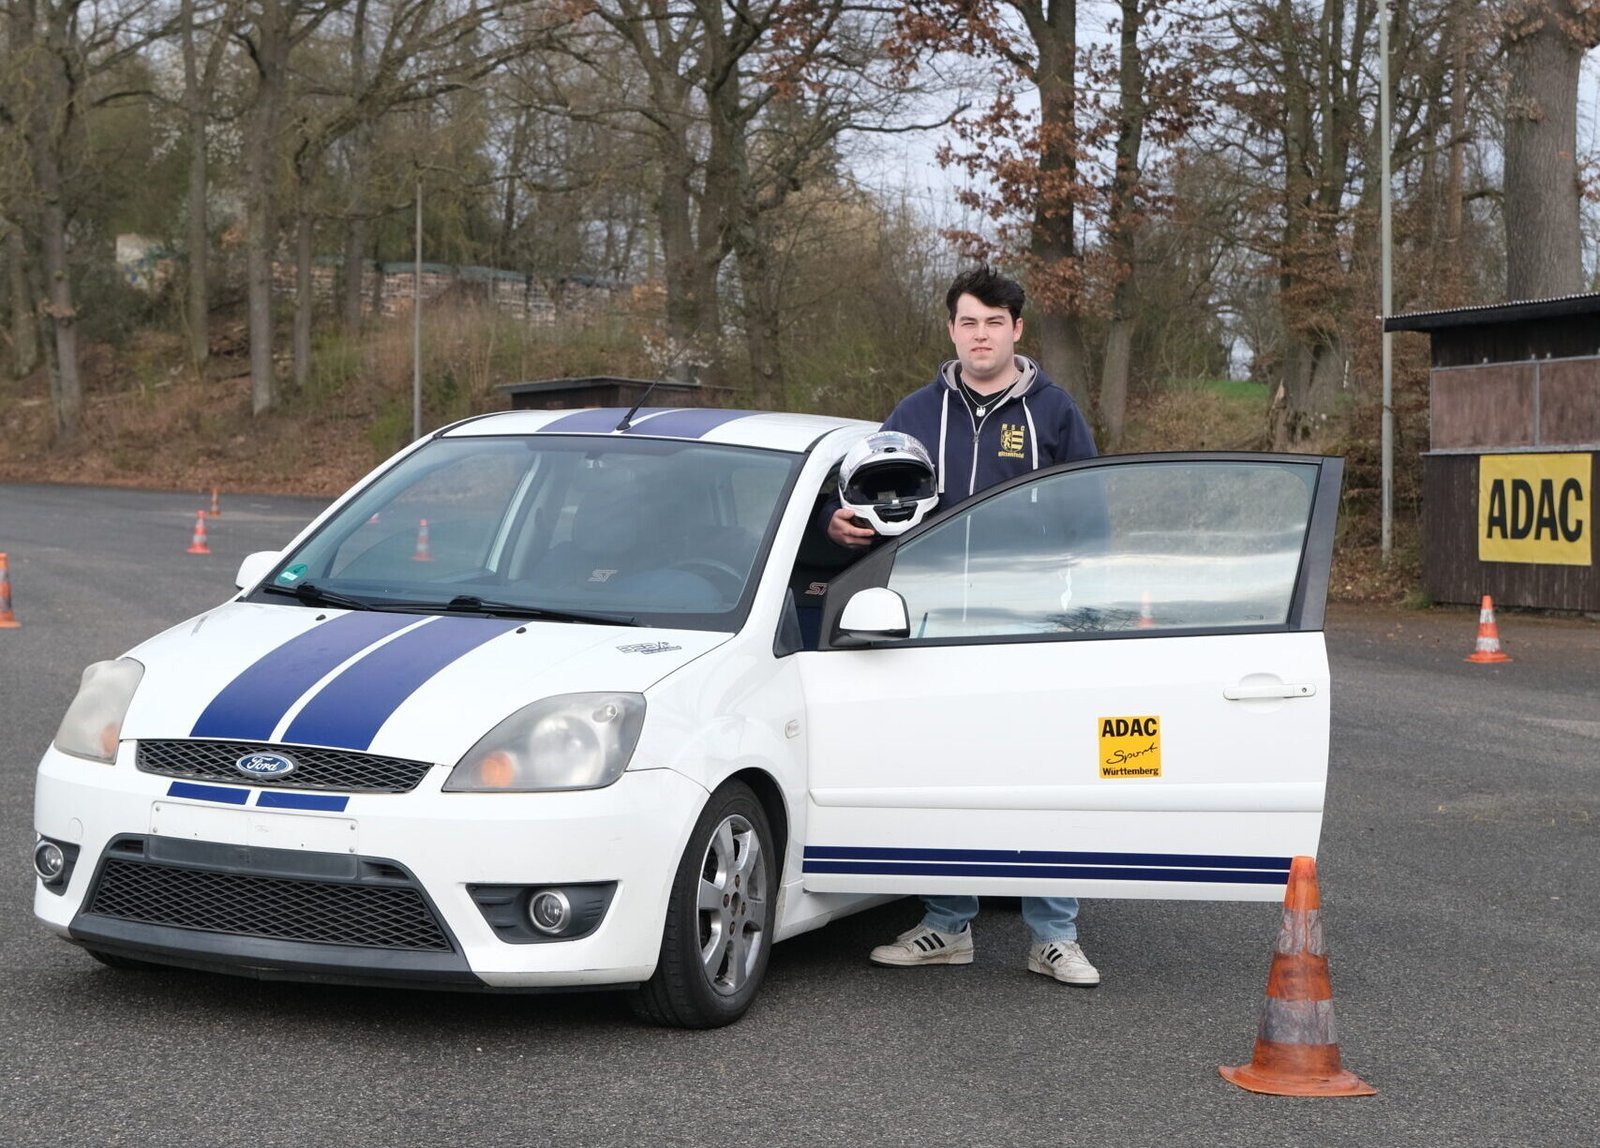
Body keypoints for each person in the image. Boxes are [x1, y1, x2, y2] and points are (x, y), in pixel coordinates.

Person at [827, 265, 1102, 988]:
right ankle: (947, 925)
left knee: (1042, 776)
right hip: (933, 620)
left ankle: (1054, 936)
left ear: (1017, 329)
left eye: (994, 322)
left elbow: (1094, 523)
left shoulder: (1055, 413)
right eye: (967, 322)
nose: (980, 335)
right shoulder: (913, 413)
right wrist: (842, 527)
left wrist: (1085, 610)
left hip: (1030, 623)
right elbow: (870, 499)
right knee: (939, 770)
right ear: (952, 330)